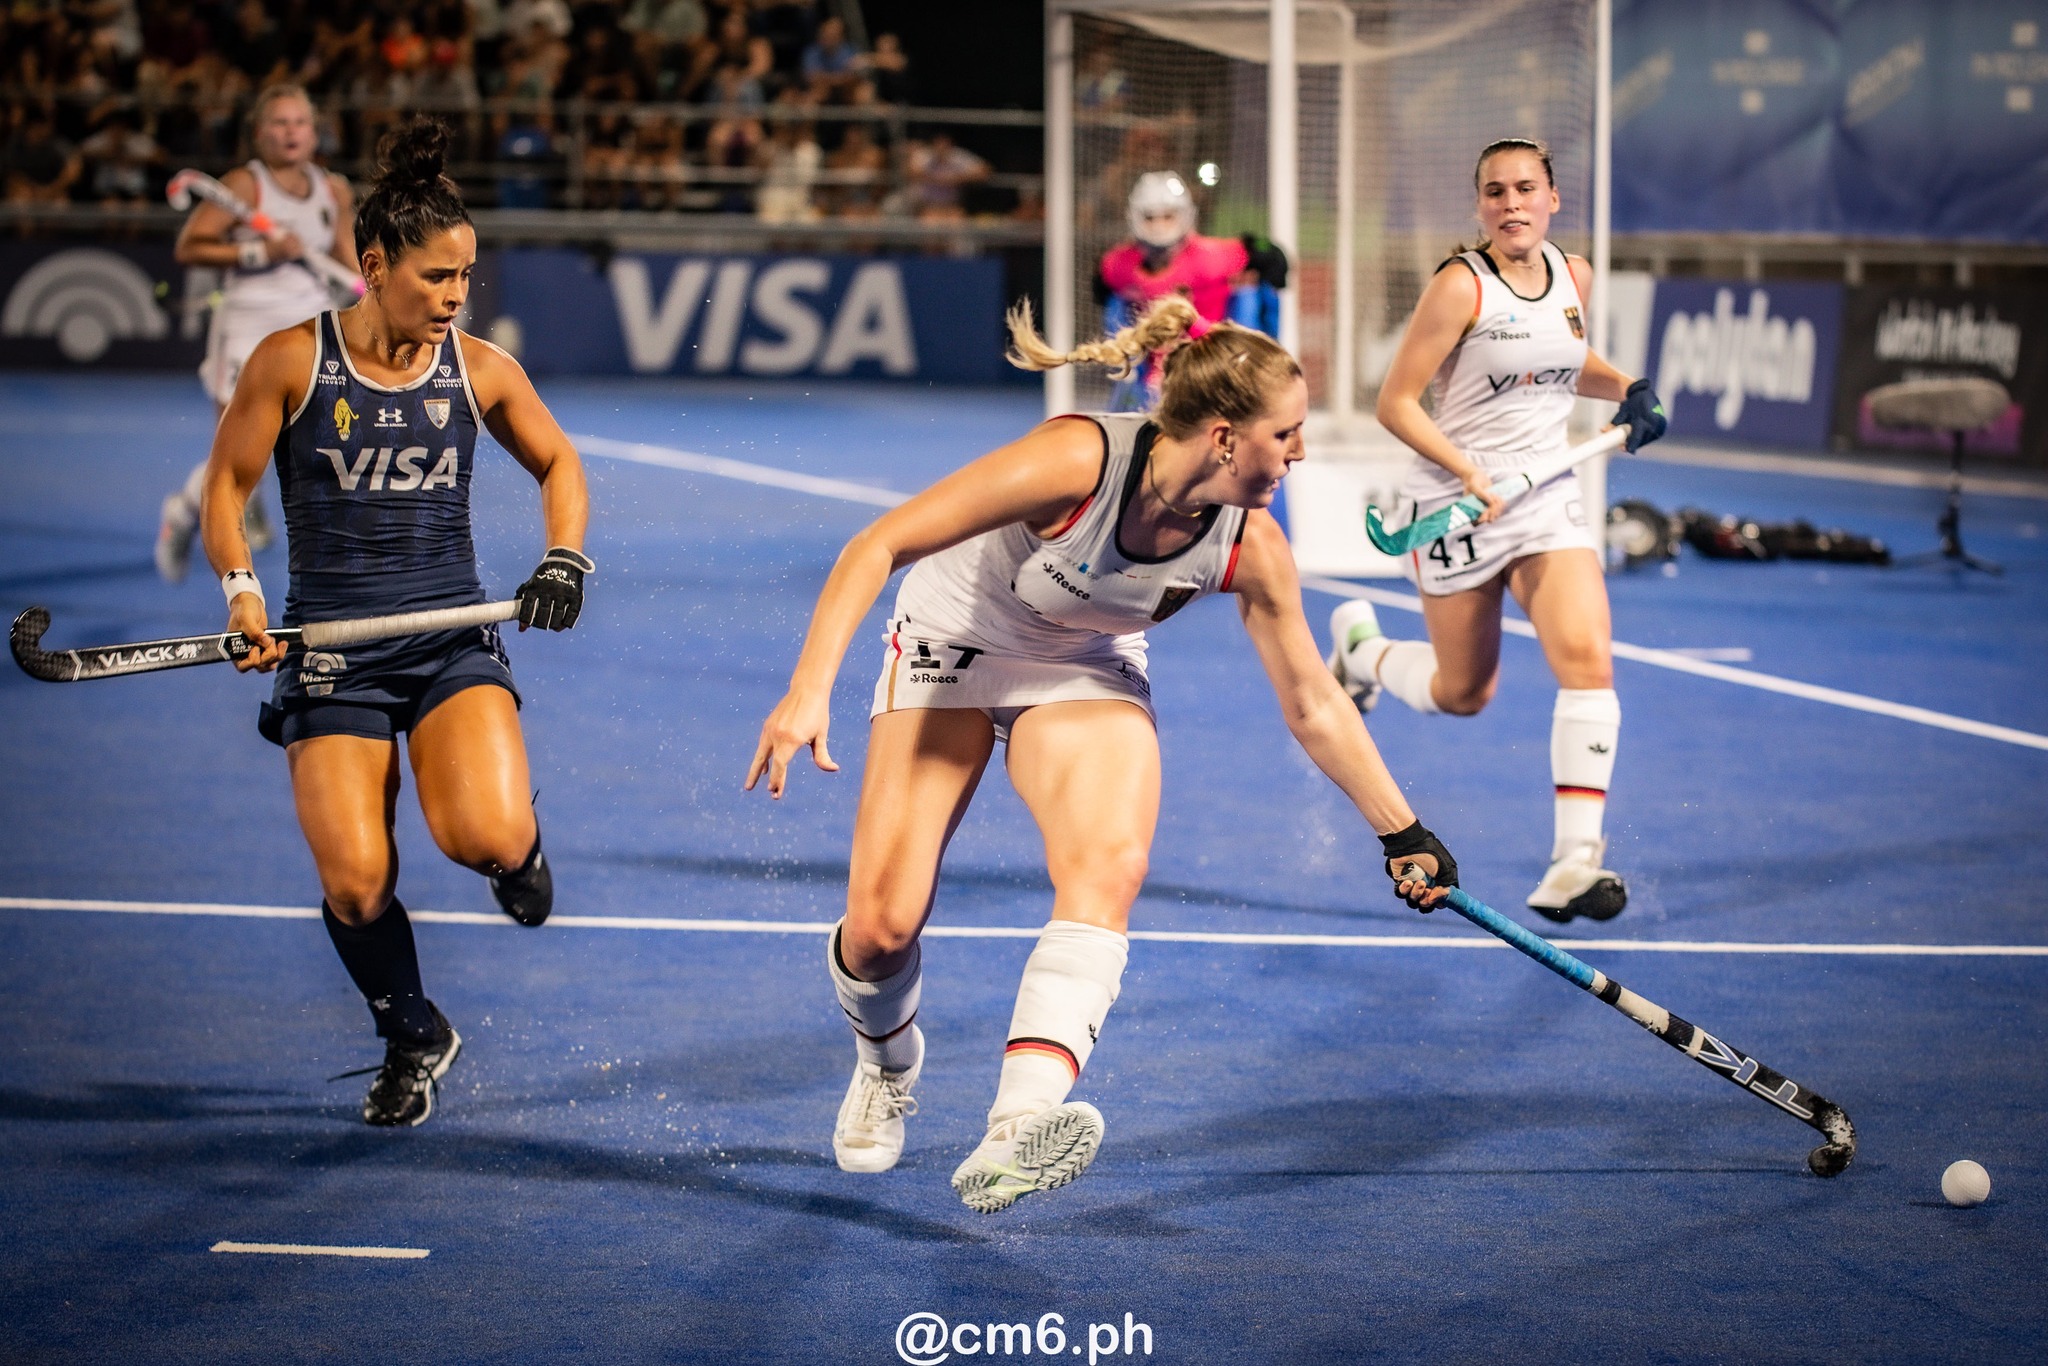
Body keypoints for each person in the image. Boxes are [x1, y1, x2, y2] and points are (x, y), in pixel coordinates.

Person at [746, 297, 1456, 1213]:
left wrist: (1402, 832)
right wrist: (808, 690)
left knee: (1110, 866)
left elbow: (1316, 702)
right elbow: (879, 542)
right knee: (881, 931)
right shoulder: (1077, 462)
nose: (1302, 453)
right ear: (1225, 438)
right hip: (953, 639)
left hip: (1083, 664)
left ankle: (1019, 1126)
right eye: (1287, 434)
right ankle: (886, 1063)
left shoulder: (1251, 543)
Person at [199, 117, 593, 1127]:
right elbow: (227, 487)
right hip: (331, 650)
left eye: (466, 276)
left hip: (448, 639)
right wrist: (242, 591)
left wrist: (563, 557)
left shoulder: (477, 367)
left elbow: (559, 461)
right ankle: (413, 1032)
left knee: (483, 835)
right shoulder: (291, 361)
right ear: (374, 268)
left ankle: (519, 854)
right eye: (437, 277)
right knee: (356, 880)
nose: (456, 295)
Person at [1326, 137, 1666, 924]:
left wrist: (1627, 386)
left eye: (1525, 189)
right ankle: (1363, 653)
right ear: (1480, 205)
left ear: (1552, 198)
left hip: (1545, 496)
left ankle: (1574, 864)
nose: (1512, 203)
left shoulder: (1575, 275)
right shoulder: (1460, 286)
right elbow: (1396, 403)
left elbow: (1562, 359)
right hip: (1458, 502)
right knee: (1464, 693)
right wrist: (1470, 474)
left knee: (1588, 660)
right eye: (1496, 192)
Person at [156, 85, 360, 582]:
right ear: (259, 133)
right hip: (247, 329)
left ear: (315, 131)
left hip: (310, 329)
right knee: (237, 459)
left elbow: (346, 255)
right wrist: (258, 252)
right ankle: (183, 513)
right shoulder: (245, 186)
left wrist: (371, 294)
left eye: (300, 123)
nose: (291, 133)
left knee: (326, 442)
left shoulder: (334, 189)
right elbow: (190, 246)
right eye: (279, 123)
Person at [1096, 170, 1288, 409]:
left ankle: (1252, 374)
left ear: (1185, 216)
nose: (1159, 226)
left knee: (1249, 296)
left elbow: (1271, 255)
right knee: (1116, 305)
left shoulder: (1213, 257)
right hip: (1152, 371)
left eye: (1168, 216)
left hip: (1214, 356)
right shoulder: (1118, 266)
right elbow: (1103, 290)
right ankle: (1129, 384)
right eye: (1150, 217)